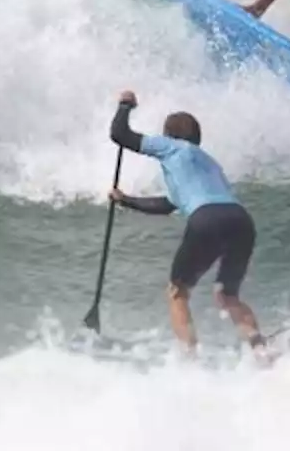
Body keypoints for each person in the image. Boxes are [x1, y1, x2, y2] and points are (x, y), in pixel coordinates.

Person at [107, 89, 269, 358]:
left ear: (169, 135)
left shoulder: (171, 146)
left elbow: (120, 135)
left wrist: (125, 106)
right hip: (241, 220)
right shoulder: (210, 163)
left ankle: (189, 359)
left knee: (177, 292)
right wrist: (125, 200)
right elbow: (168, 204)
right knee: (227, 296)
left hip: (206, 219)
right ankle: (261, 349)